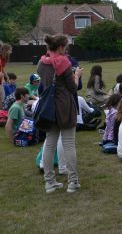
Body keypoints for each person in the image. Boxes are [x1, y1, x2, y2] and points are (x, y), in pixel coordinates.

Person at [37, 35, 83, 193]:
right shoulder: (64, 62)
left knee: (49, 145)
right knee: (69, 144)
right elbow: (73, 88)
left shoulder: (41, 63)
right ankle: (73, 182)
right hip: (64, 106)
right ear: (62, 47)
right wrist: (76, 75)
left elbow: (43, 83)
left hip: (48, 108)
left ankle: (49, 182)